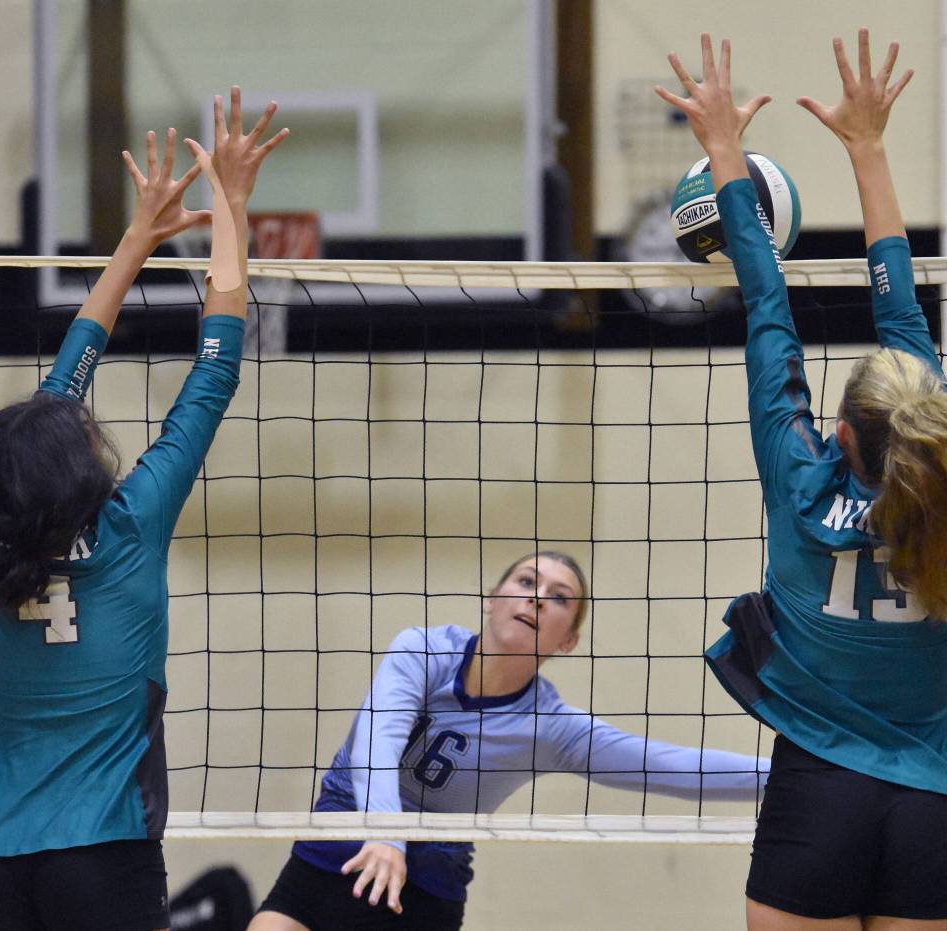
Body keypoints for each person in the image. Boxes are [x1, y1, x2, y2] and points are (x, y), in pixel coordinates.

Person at [0, 89, 288, 931]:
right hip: (104, 856)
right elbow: (215, 370)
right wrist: (229, 209)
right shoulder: (130, 529)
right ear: (78, 467)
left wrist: (138, 238)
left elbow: (55, 401)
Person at [657, 31, 947, 928]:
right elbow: (905, 314)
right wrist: (871, 149)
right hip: (936, 799)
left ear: (839, 434)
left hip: (821, 782)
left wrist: (723, 154)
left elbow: (767, 308)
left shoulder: (802, 483)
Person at [251, 551, 769, 930]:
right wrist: (386, 834)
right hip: (338, 849)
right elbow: (376, 742)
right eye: (526, 582)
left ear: (569, 641)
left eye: (559, 598)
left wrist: (792, 776)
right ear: (493, 598)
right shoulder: (422, 651)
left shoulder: (551, 727)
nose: (537, 598)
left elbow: (672, 766)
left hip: (423, 889)